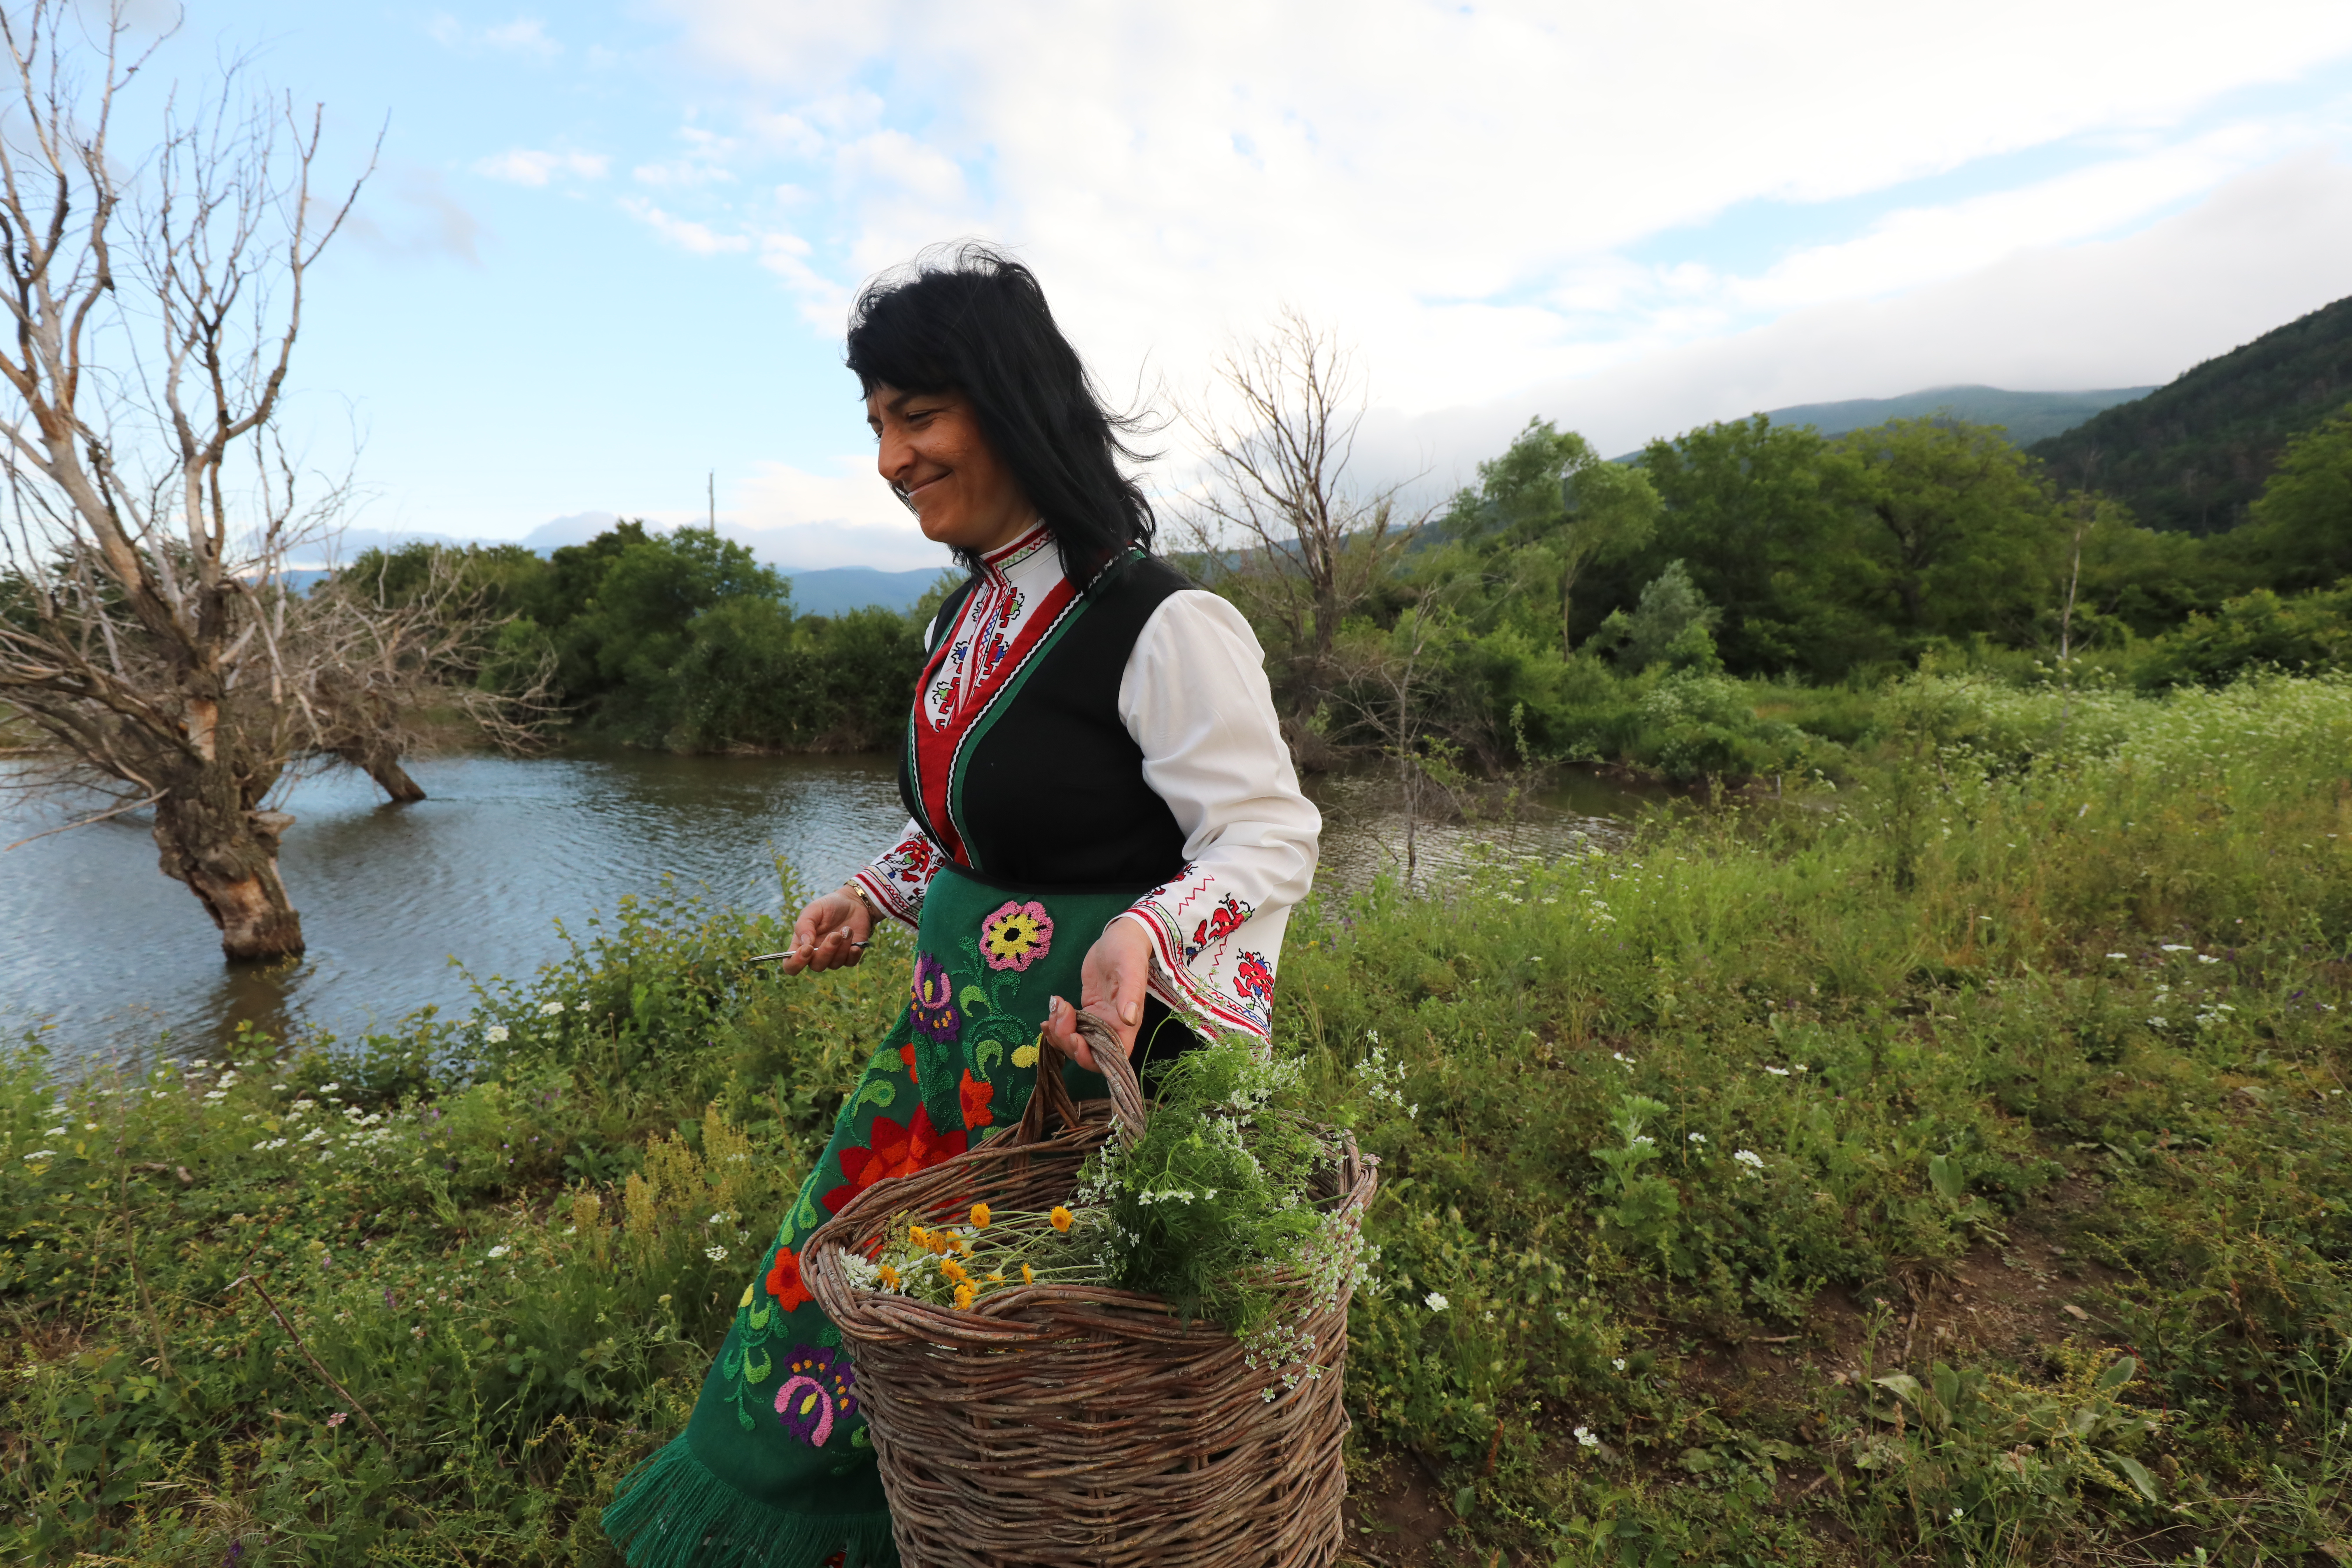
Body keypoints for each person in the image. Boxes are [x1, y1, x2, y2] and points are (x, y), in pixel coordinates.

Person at [601, 243, 1320, 1568]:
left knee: (1029, 1372)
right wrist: (874, 892)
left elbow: (1266, 831)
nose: (890, 458)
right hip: (942, 1056)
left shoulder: (1160, 624)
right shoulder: (964, 622)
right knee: (844, 1306)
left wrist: (1148, 934)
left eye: (917, 415)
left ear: (1010, 405)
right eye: (877, 424)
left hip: (1078, 1069)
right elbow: (967, 826)